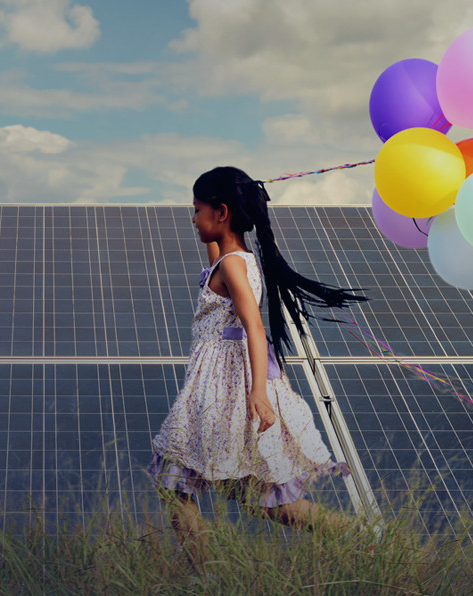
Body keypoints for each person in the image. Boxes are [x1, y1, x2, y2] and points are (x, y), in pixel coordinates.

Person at [147, 166, 371, 573]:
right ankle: (362, 538)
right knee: (260, 500)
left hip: (225, 392)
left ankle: (205, 572)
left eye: (197, 210)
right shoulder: (230, 259)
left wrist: (259, 394)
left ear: (222, 212)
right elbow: (216, 257)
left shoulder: (233, 266)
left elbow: (253, 325)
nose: (192, 219)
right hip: (220, 387)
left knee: (175, 478)